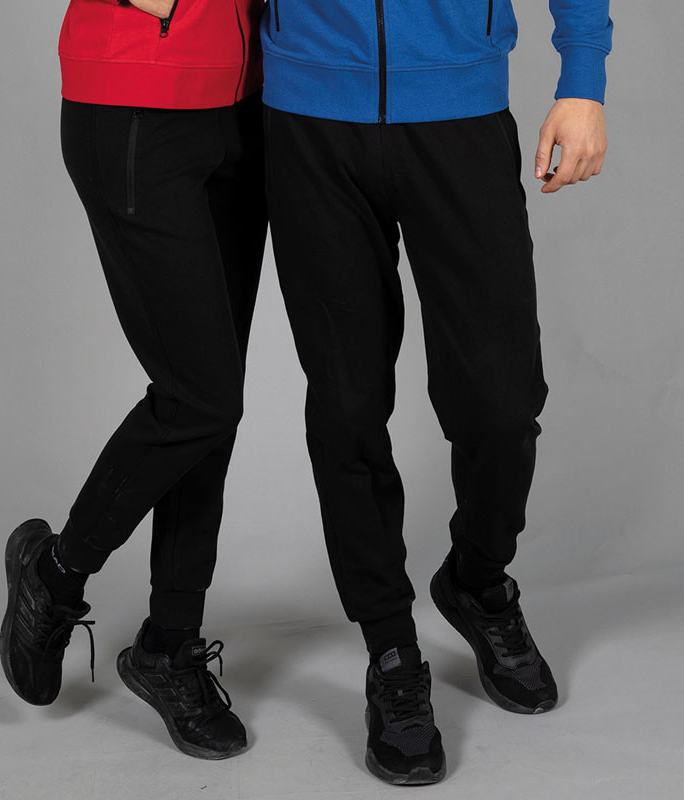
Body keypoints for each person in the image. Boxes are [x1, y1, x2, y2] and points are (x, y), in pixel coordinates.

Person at [261, 0, 612, 785]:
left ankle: (478, 582)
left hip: (459, 111)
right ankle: (391, 648)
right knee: (346, 406)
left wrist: (583, 76)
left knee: (501, 404)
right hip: (309, 119)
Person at [0, 0, 267, 760]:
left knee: (212, 402)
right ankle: (56, 572)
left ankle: (171, 645)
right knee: (201, 398)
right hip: (135, 105)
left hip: (247, 103)